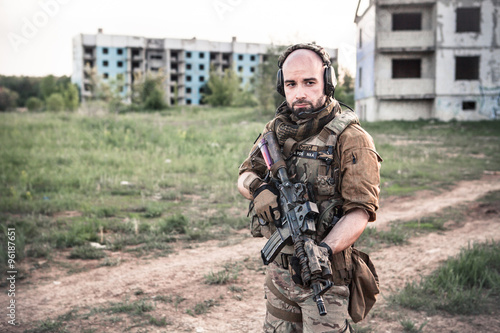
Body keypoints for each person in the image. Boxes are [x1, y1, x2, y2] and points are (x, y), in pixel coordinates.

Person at [237, 43, 382, 333]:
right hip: (280, 274)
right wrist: (257, 188)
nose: (299, 92)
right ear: (282, 86)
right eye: (291, 84)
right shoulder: (276, 130)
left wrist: (323, 250)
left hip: (325, 274)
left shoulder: (352, 138)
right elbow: (244, 173)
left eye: (309, 82)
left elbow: (361, 211)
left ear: (327, 84)